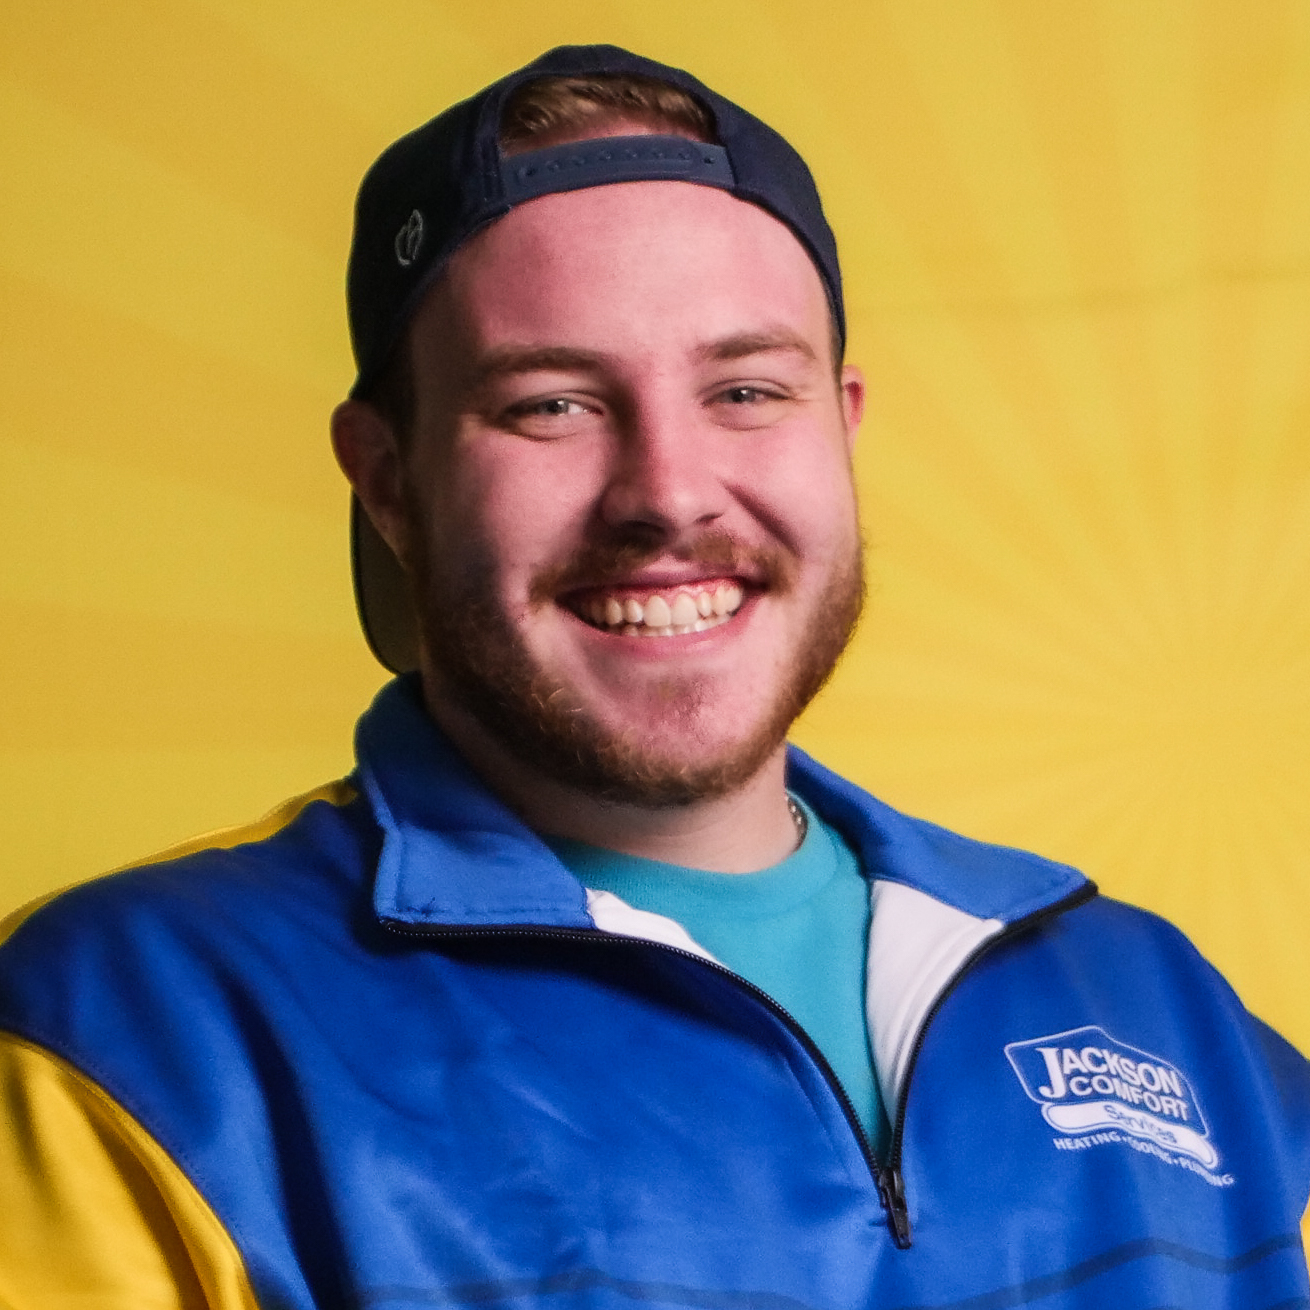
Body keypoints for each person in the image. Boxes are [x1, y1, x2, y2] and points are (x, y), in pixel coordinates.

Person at [0, 43, 1307, 1309]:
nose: (668, 494)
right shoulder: (131, 1034)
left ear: (839, 426)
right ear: (387, 480)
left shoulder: (1165, 1013)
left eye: (744, 390)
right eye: (550, 404)